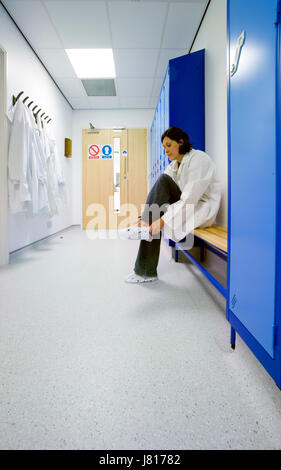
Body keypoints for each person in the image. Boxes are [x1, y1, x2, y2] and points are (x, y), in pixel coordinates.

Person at [122, 127, 221, 284]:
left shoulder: (199, 159)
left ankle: (145, 270)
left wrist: (160, 221)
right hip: (185, 205)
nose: (166, 150)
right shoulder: (174, 165)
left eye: (169, 145)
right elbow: (160, 194)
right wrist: (147, 217)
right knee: (158, 201)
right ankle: (145, 269)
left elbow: (190, 200)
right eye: (164, 147)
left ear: (180, 142)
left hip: (200, 208)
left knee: (160, 193)